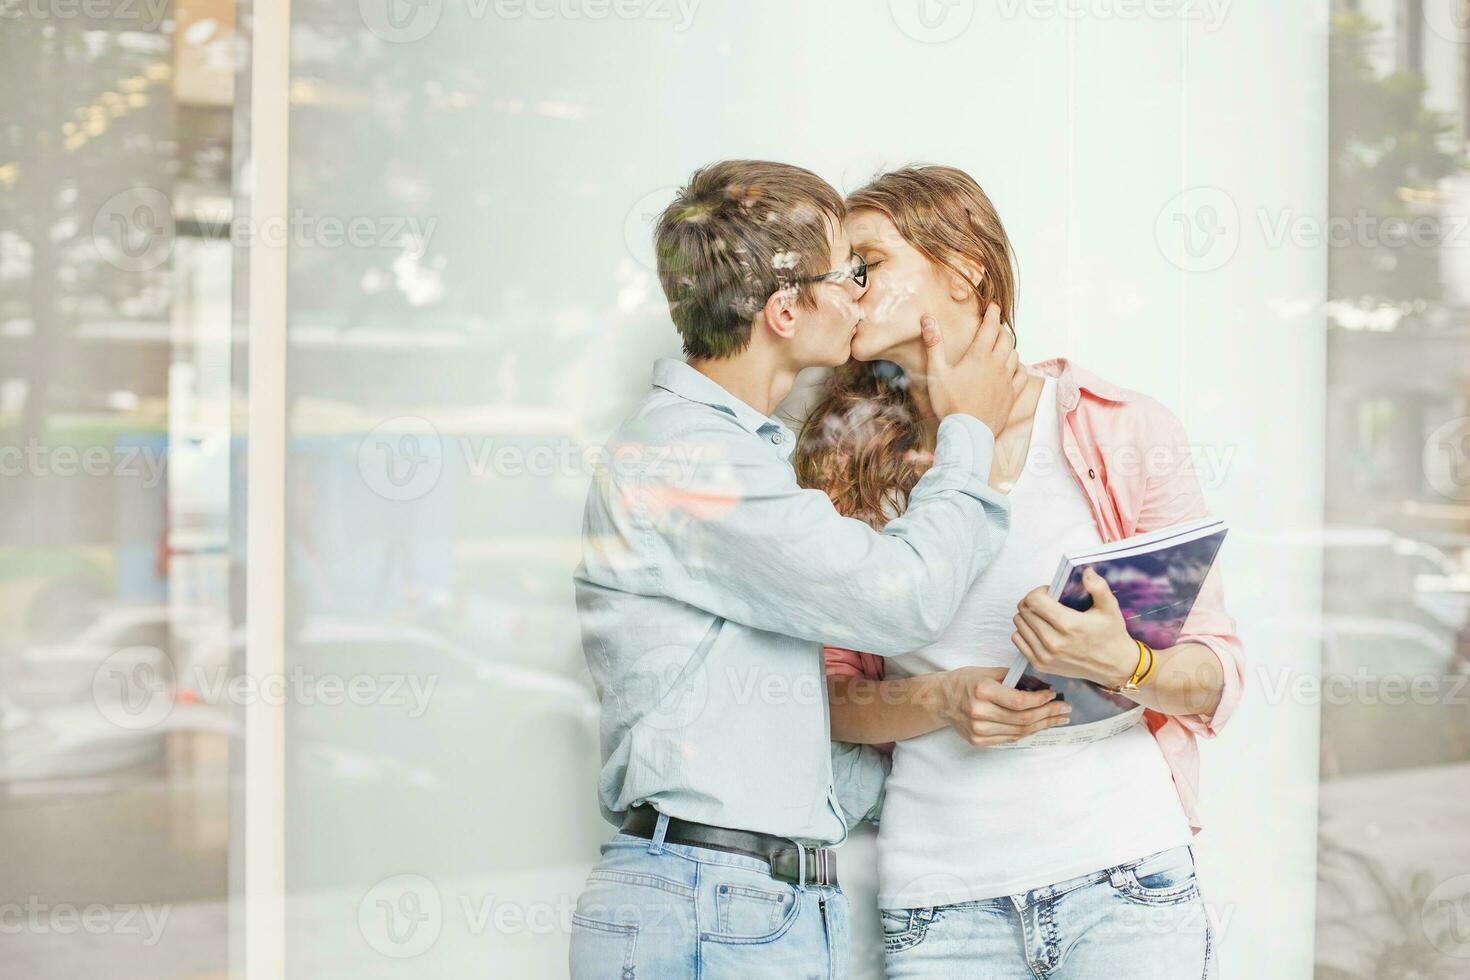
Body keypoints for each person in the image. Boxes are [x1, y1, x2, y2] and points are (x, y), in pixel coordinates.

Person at [569, 160, 1069, 979]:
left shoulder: (742, 457)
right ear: (785, 309)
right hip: (712, 905)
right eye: (849, 274)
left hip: (745, 900)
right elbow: (898, 598)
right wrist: (969, 431)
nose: (859, 296)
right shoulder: (693, 461)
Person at [794, 165, 1245, 979]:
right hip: (940, 905)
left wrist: (1126, 664)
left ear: (965, 266)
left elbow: (1216, 681)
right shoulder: (846, 467)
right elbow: (828, 700)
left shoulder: (1121, 430)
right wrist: (936, 697)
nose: (847, 291)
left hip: (1128, 881)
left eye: (869, 265)